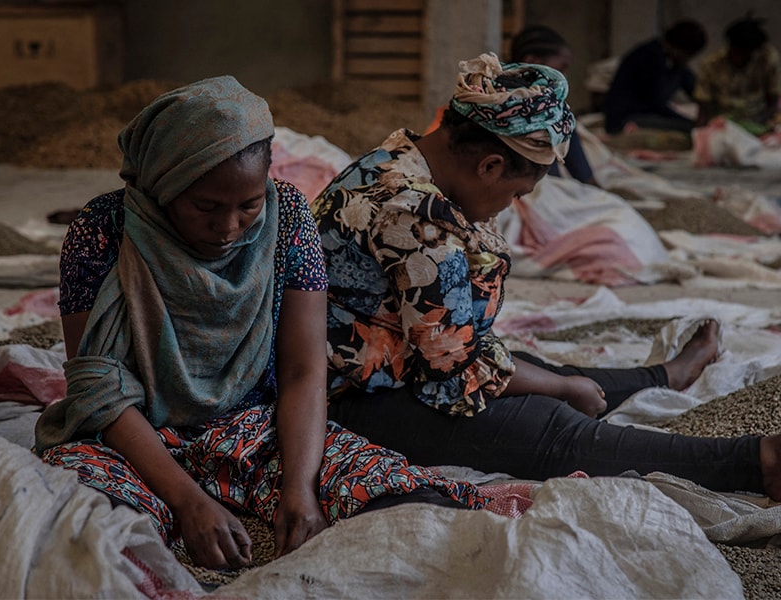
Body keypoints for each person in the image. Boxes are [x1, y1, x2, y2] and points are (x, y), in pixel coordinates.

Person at [312, 53, 781, 503]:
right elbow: (456, 369)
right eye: (518, 194)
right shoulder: (414, 218)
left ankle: (663, 376)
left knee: (541, 371)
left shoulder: (396, 159)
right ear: (490, 167)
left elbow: (457, 347)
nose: (511, 206)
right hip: (353, 398)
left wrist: (552, 379)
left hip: (397, 360)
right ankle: (760, 462)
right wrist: (559, 388)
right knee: (553, 426)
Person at [34, 76, 489, 571]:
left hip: (253, 427)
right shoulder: (103, 230)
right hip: (133, 436)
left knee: (401, 499)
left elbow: (303, 370)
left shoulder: (288, 215)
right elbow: (97, 389)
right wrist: (187, 502)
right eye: (205, 207)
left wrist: (299, 488)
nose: (229, 229)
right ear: (161, 187)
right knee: (82, 525)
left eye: (248, 205)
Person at [508, 25, 599, 186]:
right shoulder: (507, 104)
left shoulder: (555, 106)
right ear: (532, 61)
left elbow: (577, 161)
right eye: (561, 68)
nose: (563, 77)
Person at [602, 19, 707, 134]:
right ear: (678, 49)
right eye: (688, 55)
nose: (687, 60)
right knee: (691, 130)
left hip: (645, 112)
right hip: (626, 118)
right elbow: (657, 103)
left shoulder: (673, 63)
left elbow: (695, 89)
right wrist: (688, 121)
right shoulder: (650, 57)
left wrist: (706, 106)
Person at [693, 13, 781, 135]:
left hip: (756, 122)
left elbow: (773, 101)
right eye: (738, 53)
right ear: (730, 47)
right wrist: (701, 134)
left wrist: (756, 121)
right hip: (723, 123)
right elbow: (703, 109)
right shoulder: (711, 66)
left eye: (747, 55)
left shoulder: (766, 60)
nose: (741, 59)